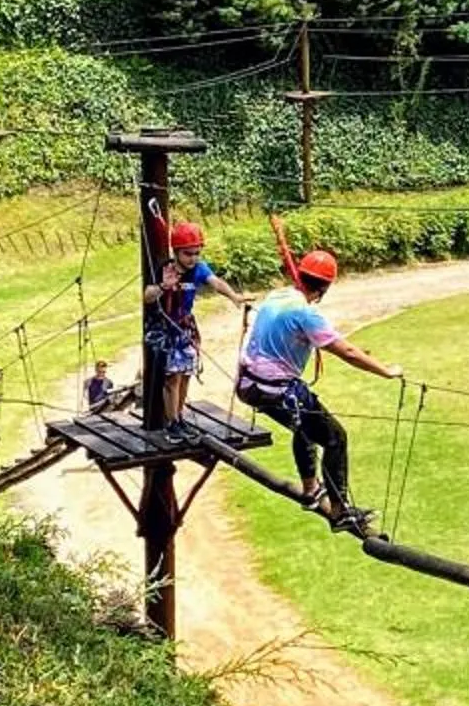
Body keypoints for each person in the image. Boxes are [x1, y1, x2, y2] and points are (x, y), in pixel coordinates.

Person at [235, 249, 400, 533]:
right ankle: (339, 511)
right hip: (276, 390)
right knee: (335, 437)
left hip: (248, 385)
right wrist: (386, 371)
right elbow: (347, 352)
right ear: (325, 287)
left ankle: (311, 489)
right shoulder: (307, 314)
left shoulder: (277, 296)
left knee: (305, 427)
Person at [146, 218, 251, 427]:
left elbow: (216, 282)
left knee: (186, 375)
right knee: (173, 378)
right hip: (166, 330)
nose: (193, 258)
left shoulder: (199, 269)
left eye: (196, 253)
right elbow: (147, 296)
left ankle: (179, 417)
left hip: (185, 329)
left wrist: (233, 296)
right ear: (176, 252)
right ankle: (172, 422)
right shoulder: (166, 270)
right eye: (188, 253)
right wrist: (164, 286)